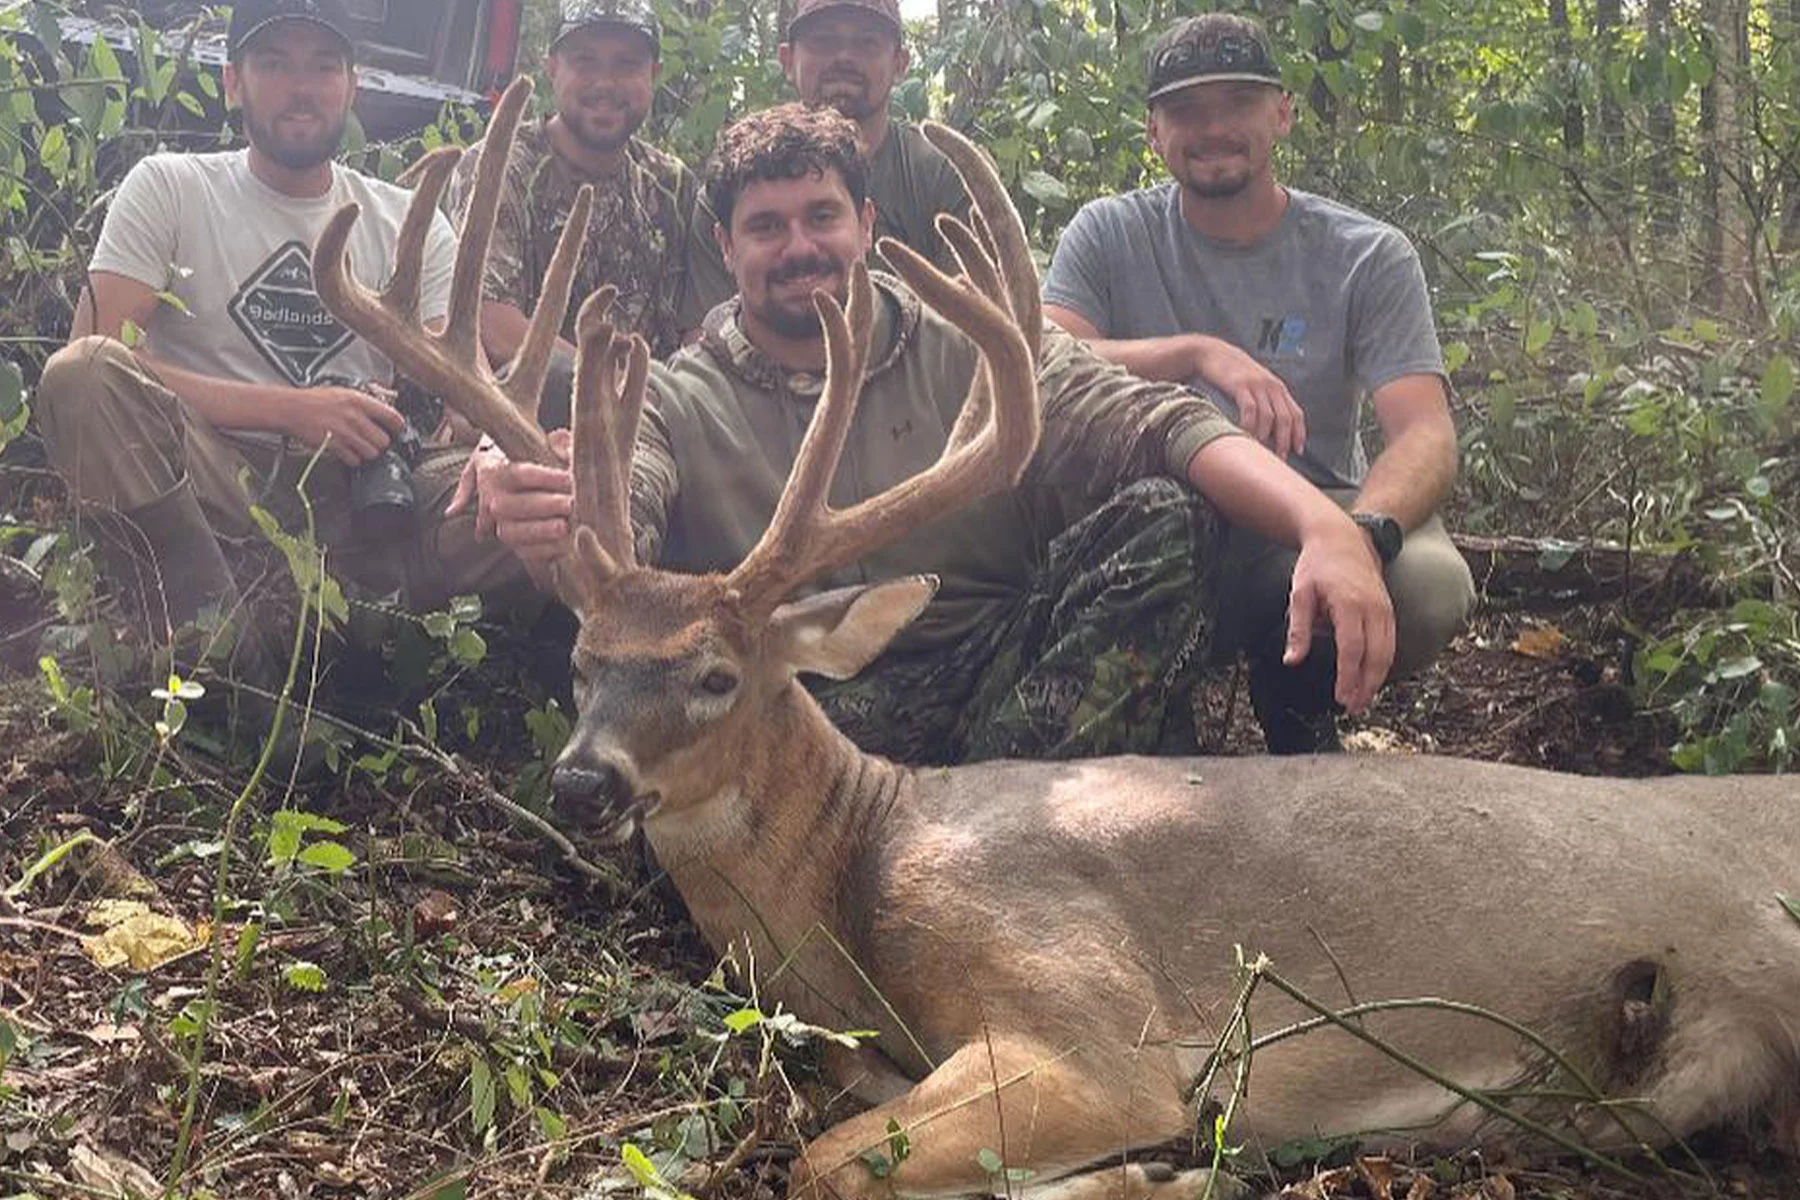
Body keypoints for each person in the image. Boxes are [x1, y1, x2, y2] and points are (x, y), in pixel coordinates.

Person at [456, 103, 1396, 764]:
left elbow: (1162, 423)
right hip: (811, 717)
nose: (798, 247)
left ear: (865, 222)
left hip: (1008, 680)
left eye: (822, 215)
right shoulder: (674, 395)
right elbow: (623, 544)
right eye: (765, 226)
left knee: (1164, 517)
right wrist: (553, 526)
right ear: (725, 246)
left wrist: (1327, 528)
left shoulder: (976, 345)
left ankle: (1003, 813)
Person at [35, 0, 520, 672]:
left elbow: (469, 390)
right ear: (234, 81)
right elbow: (92, 350)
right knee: (80, 375)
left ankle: (402, 647)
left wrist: (496, 449)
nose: (302, 88)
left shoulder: (408, 220)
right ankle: (224, 653)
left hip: (364, 500)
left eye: (323, 67)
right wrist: (292, 411)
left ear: (351, 86)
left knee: (537, 503)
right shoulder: (171, 187)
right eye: (274, 64)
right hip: (211, 484)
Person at [1043, 12, 1476, 715]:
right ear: (1154, 133)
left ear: (1282, 114)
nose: (1213, 128)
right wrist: (1195, 352)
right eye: (1186, 110)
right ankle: (1149, 719)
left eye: (1238, 104)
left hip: (1313, 506)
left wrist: (1359, 536)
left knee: (1428, 583)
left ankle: (1301, 695)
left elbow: (1425, 432)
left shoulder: (1366, 254)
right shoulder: (1108, 233)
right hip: (1157, 527)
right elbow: (1046, 360)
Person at [446, 0, 733, 431]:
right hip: (520, 418)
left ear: (653, 74)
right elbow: (488, 322)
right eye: (585, 61)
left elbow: (699, 325)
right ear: (551, 68)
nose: (605, 82)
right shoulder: (500, 165)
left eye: (626, 64)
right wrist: (616, 383)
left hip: (650, 423)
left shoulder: (672, 184)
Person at [778, 0, 972, 273]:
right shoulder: (739, 183)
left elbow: (974, 307)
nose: (844, 57)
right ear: (787, 60)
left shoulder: (945, 175)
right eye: (823, 41)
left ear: (900, 64)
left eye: (867, 43)